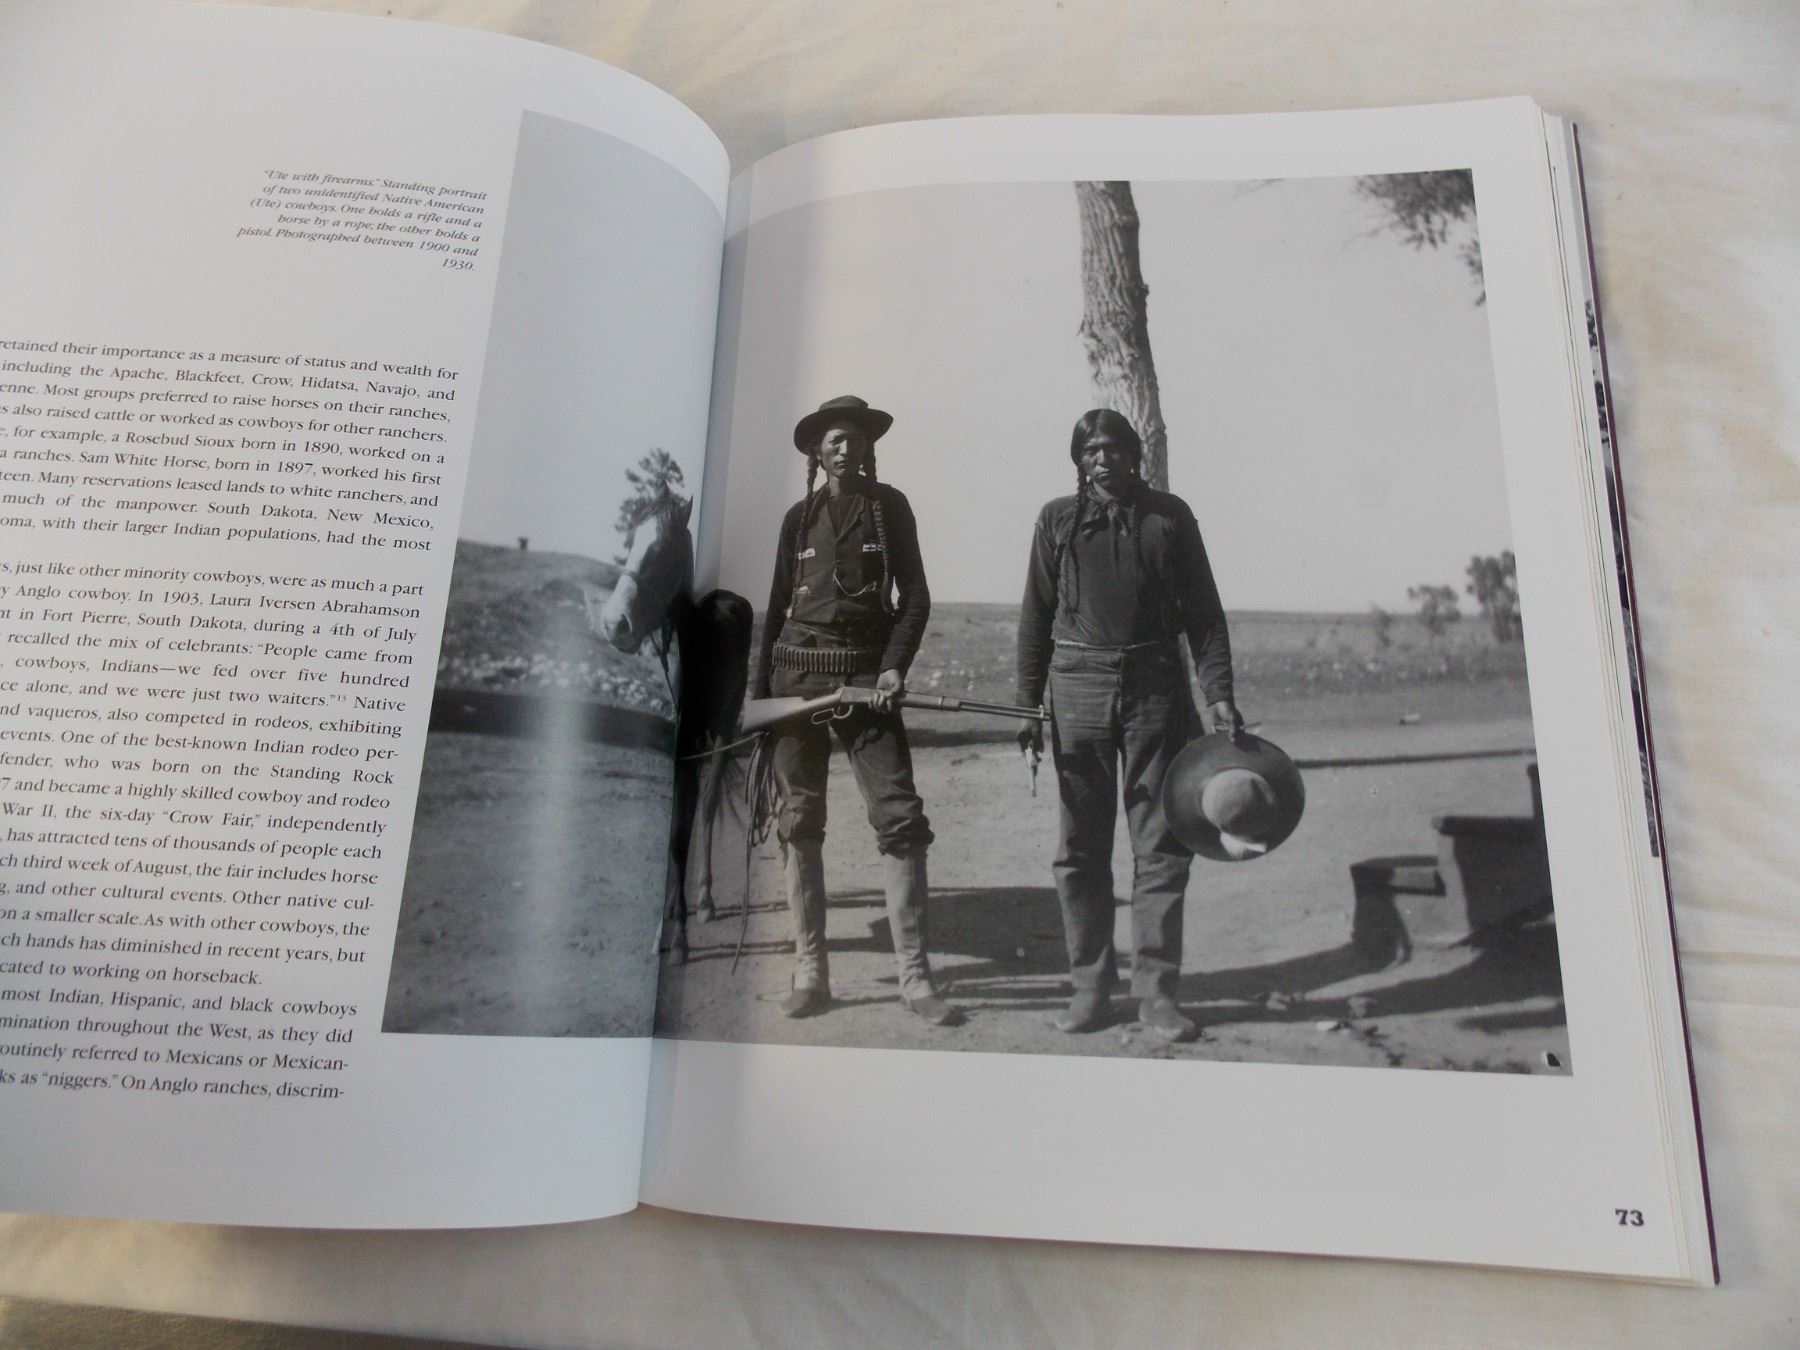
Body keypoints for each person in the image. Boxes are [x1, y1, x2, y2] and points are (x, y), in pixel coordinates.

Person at [1015, 408, 1241, 1041]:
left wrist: (1218, 692)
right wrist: (1028, 703)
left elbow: (1205, 612)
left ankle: (1157, 994)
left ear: (1133, 454)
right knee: (1080, 849)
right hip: (1077, 689)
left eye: (1113, 448)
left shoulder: (1171, 517)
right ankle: (1090, 989)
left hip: (1155, 689)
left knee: (1161, 844)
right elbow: (1035, 616)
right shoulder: (1056, 520)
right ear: (1078, 459)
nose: (1102, 459)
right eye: (1090, 450)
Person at [752, 395, 959, 1026]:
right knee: (799, 817)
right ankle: (810, 971)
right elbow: (778, 605)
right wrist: (761, 699)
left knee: (899, 816)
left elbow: (915, 596)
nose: (847, 448)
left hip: (869, 680)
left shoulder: (890, 508)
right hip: (797, 678)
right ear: (818, 451)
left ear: (869, 448)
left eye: (856, 439)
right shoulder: (798, 517)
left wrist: (895, 666)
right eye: (835, 440)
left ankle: (915, 978)